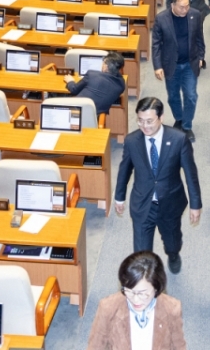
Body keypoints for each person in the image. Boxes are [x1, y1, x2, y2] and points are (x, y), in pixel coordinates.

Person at [113, 97, 202, 274]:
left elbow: (191, 174)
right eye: (140, 120)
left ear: (161, 117)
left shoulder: (178, 139)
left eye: (149, 121)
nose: (144, 126)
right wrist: (119, 197)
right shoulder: (132, 141)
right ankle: (147, 284)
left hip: (170, 203)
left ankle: (174, 254)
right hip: (142, 203)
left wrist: (195, 204)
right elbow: (125, 170)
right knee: (141, 256)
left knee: (172, 242)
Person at [86, 251, 187, 350]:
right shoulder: (108, 308)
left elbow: (179, 345)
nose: (135, 299)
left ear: (156, 288)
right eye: (129, 291)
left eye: (142, 293)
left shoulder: (172, 309)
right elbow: (95, 346)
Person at [151, 0, 205, 141]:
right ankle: (179, 118)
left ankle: (187, 126)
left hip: (190, 63)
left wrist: (201, 57)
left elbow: (200, 37)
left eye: (187, 6)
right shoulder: (161, 19)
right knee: (173, 96)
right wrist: (157, 66)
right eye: (182, 7)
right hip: (170, 65)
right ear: (173, 5)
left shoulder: (195, 15)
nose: (185, 10)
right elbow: (156, 44)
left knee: (191, 96)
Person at [63, 50, 126, 117]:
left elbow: (74, 90)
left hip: (75, 113)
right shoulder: (121, 85)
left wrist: (70, 81)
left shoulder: (92, 75)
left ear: (106, 67)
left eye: (103, 63)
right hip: (95, 118)